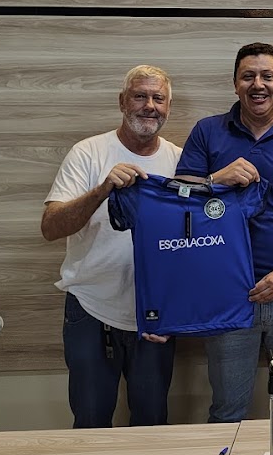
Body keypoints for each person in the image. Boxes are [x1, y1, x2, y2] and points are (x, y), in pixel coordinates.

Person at [175, 42, 273, 422]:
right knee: (227, 410)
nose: (258, 84)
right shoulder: (207, 131)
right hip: (228, 293)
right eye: (248, 76)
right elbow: (179, 204)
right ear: (235, 84)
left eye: (267, 76)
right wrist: (216, 179)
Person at [41, 65, 180, 427]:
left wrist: (176, 310)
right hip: (91, 307)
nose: (149, 106)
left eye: (158, 98)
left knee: (152, 422)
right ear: (122, 101)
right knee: (90, 421)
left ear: (168, 107)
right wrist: (102, 190)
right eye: (139, 96)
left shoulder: (180, 161)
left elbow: (192, 247)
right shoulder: (88, 153)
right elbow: (51, 227)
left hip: (154, 315)